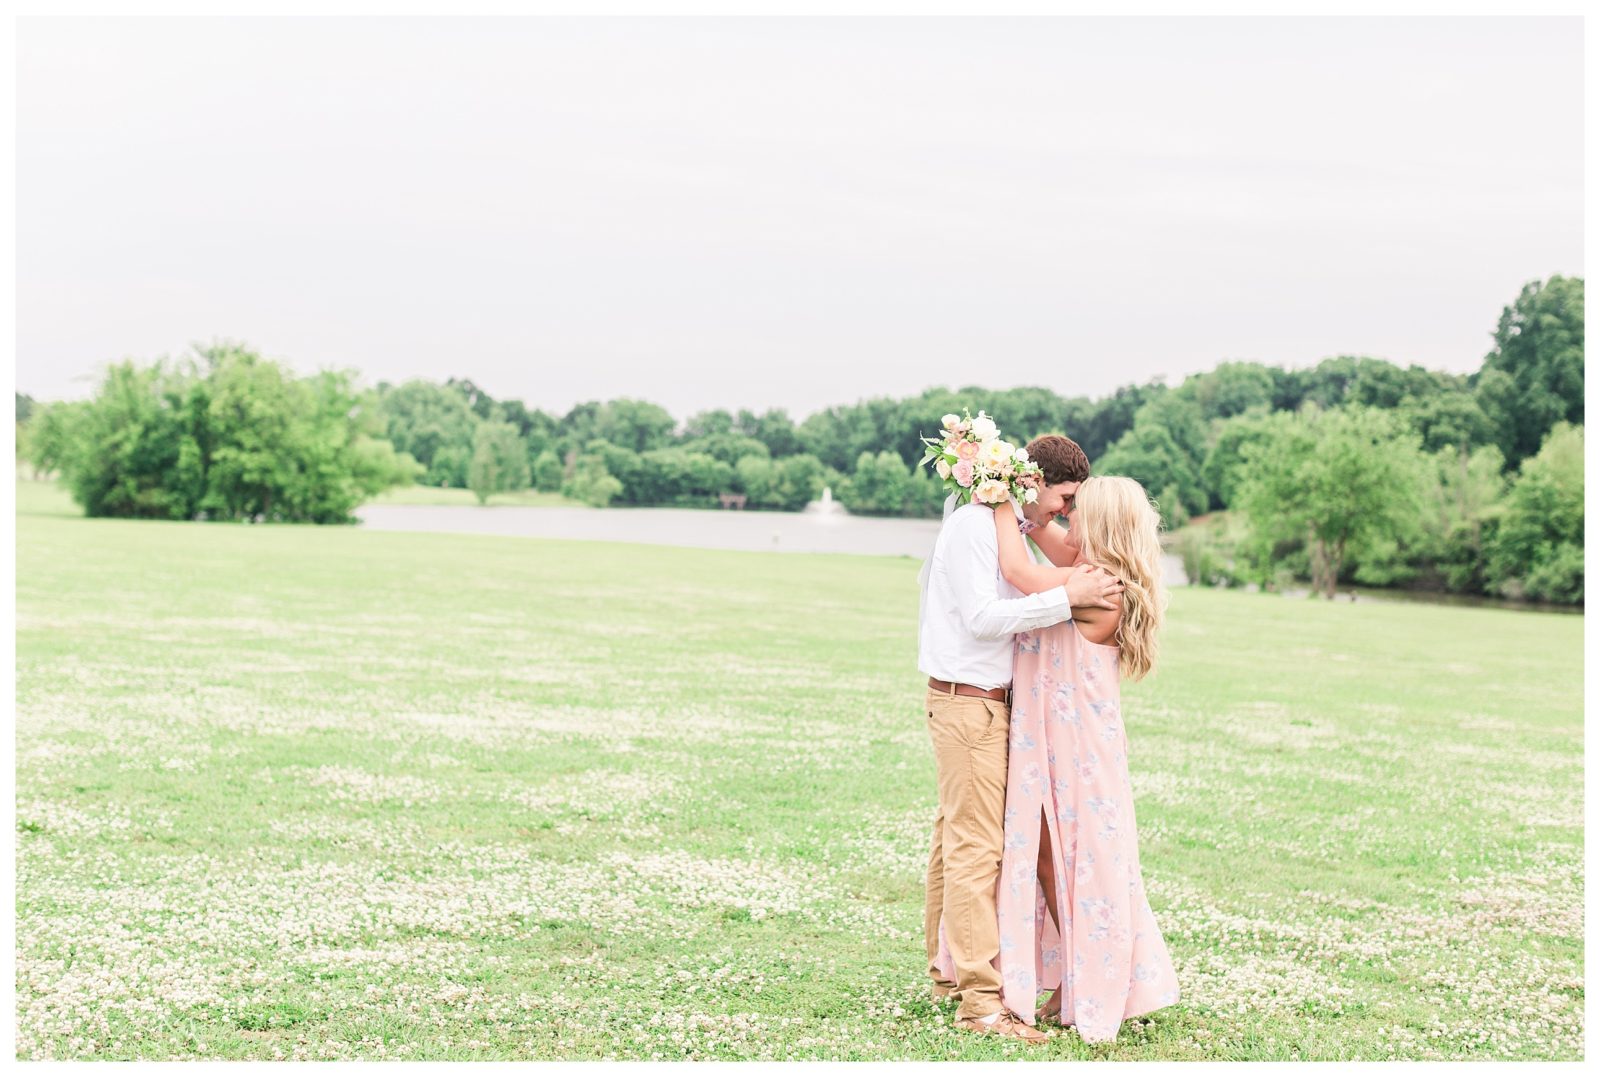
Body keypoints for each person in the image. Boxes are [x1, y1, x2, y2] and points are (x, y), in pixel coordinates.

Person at [917, 434, 1122, 1043]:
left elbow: (1029, 573)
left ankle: (948, 977)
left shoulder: (998, 526)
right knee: (976, 850)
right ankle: (980, 1004)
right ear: (1033, 483)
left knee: (954, 841)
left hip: (979, 704)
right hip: (969, 703)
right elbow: (982, 619)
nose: (1063, 512)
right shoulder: (975, 529)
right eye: (1063, 498)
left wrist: (1068, 589)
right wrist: (1066, 600)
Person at [984, 474, 1181, 1043]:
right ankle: (1074, 978)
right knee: (1055, 859)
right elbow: (1045, 532)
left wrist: (994, 496)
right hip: (1065, 738)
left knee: (1070, 860)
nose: (1068, 514)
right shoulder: (1091, 567)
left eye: (1079, 509)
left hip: (1075, 747)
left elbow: (1023, 575)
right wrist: (1031, 508)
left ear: (1102, 524)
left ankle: (1084, 982)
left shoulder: (1096, 583)